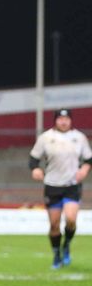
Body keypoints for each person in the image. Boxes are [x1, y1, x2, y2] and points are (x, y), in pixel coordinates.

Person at [29, 108, 92, 269]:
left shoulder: (79, 137)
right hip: (52, 185)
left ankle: (67, 245)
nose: (63, 122)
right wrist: (35, 169)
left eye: (66, 119)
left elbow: (88, 159)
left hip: (72, 185)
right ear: (55, 120)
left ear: (71, 120)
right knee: (54, 225)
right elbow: (33, 158)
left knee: (71, 220)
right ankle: (57, 253)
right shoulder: (46, 137)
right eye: (60, 119)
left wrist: (84, 169)